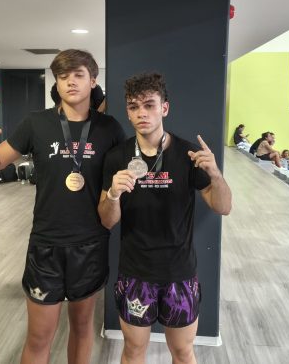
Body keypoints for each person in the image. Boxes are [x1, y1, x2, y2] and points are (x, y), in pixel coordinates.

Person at [0, 49, 125, 364]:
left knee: (82, 328)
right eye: (63, 76)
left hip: (90, 243)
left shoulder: (109, 128)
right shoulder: (36, 123)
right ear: (56, 82)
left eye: (79, 75)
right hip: (46, 243)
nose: (71, 82)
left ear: (93, 80)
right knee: (39, 336)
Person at [97, 72, 232, 364]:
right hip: (136, 272)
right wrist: (113, 195)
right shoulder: (117, 157)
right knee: (133, 350)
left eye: (149, 105)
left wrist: (215, 174)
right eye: (134, 106)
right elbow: (107, 221)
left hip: (179, 273)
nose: (141, 113)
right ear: (128, 112)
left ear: (164, 108)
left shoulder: (188, 154)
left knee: (183, 352)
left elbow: (223, 207)